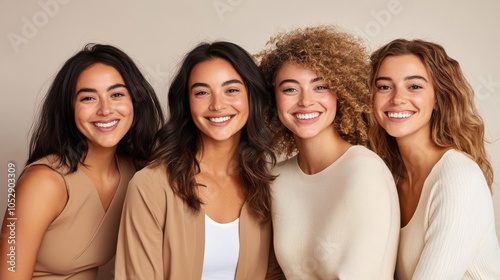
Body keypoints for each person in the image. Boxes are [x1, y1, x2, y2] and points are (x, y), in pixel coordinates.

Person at [114, 41, 283, 279]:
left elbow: (274, 273)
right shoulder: (150, 186)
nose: (217, 105)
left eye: (231, 90)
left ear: (252, 97)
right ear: (187, 103)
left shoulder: (267, 183)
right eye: (202, 92)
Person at [0, 43, 164, 279]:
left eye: (116, 94)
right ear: (69, 108)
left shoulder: (137, 172)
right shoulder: (43, 182)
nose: (105, 109)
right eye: (88, 98)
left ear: (135, 103)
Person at [257, 25, 400, 279]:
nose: (305, 101)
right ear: (273, 99)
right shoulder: (275, 178)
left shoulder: (363, 171)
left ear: (341, 94)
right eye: (290, 89)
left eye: (320, 87)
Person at [369, 38, 500, 279]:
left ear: (438, 98)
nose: (397, 98)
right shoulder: (388, 177)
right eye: (384, 87)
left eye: (414, 87)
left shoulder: (459, 178)